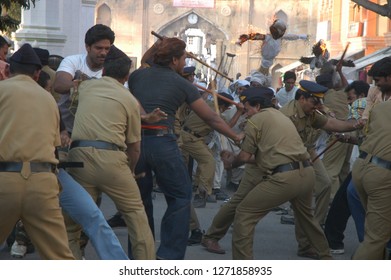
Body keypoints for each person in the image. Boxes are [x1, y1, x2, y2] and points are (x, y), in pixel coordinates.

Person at [127, 37, 243, 260]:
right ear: (174, 60)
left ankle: (141, 257)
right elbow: (211, 118)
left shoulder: (137, 76)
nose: (185, 61)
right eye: (183, 57)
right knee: (180, 197)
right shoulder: (182, 84)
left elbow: (145, 61)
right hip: (163, 144)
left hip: (136, 144)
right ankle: (168, 255)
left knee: (140, 201)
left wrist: (158, 46)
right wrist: (235, 135)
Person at [216, 87, 332, 260]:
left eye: (246, 109)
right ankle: (325, 256)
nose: (245, 114)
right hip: (307, 172)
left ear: (256, 106)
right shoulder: (281, 116)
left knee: (244, 214)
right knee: (307, 218)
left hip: (285, 177)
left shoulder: (256, 120)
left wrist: (231, 162)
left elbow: (245, 156)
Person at [66, 45, 155, 260]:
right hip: (113, 161)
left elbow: (75, 108)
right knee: (136, 218)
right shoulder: (129, 100)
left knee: (72, 224)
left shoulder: (84, 88)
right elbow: (134, 146)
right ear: (126, 77)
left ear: (104, 71)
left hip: (78, 159)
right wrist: (131, 171)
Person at [0, 43, 74, 260]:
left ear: (8, 69)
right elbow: (54, 143)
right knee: (60, 258)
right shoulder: (49, 99)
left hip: (4, 179)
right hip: (42, 182)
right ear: (38, 73)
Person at [279, 80, 364, 258]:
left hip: (306, 152)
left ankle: (311, 235)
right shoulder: (287, 116)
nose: (319, 105)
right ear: (302, 98)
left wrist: (357, 124)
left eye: (320, 101)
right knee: (248, 199)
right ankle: (216, 232)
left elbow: (333, 125)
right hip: (287, 155)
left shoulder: (312, 112)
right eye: (315, 101)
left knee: (325, 184)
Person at [351, 57, 391, 259]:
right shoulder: (377, 102)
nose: (375, 85)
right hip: (381, 174)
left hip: (364, 168)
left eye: (379, 80)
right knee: (377, 237)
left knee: (377, 231)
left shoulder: (379, 106)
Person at [54, 24, 115, 135]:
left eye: (107, 49)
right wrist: (89, 85)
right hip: (67, 131)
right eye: (99, 48)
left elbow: (125, 94)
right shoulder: (73, 61)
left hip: (96, 133)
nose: (103, 53)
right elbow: (59, 85)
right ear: (87, 47)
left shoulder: (113, 69)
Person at [236, 19, 308, 75]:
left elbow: (291, 36)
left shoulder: (279, 38)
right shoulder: (268, 37)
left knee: (265, 74)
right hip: (265, 61)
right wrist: (244, 38)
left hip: (268, 61)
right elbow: (256, 36)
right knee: (262, 74)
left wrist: (301, 36)